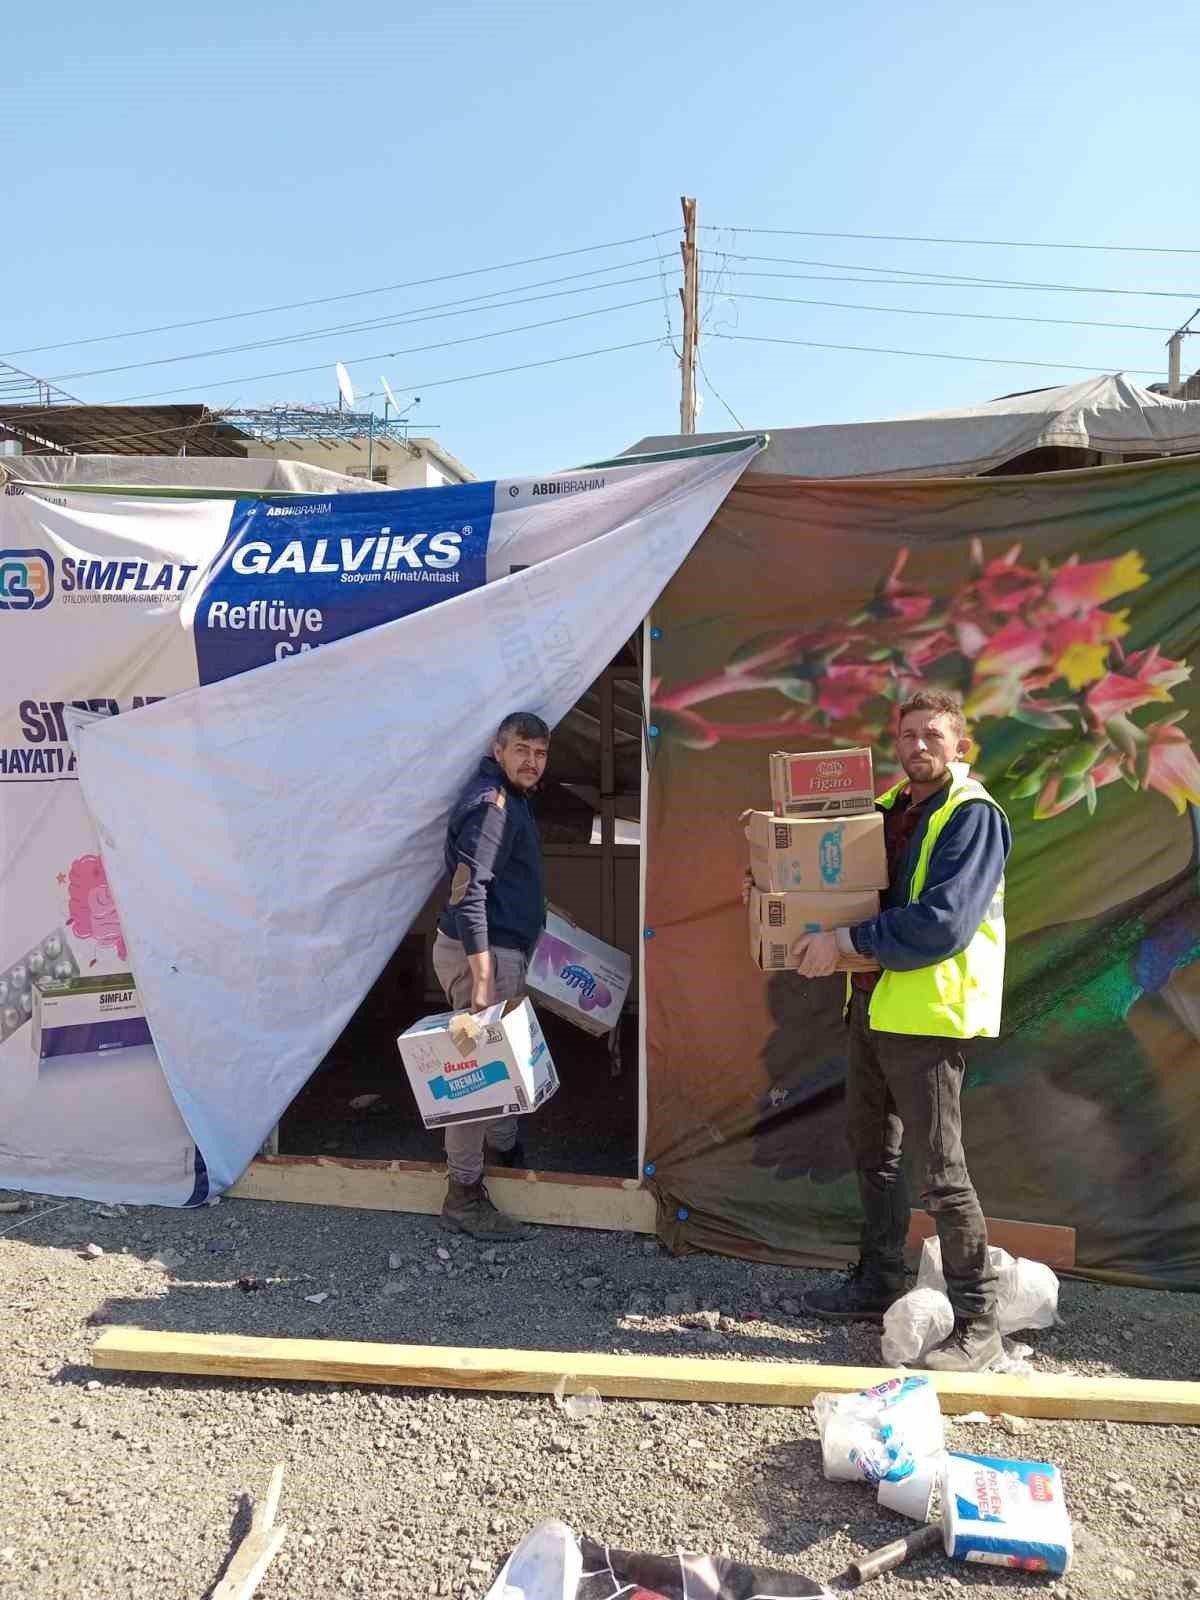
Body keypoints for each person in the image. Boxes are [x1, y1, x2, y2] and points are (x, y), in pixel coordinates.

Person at [790, 690, 1012, 1373]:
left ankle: (979, 1324)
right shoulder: (885, 810)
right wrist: (778, 885)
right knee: (873, 1153)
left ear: (959, 746)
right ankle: (879, 1280)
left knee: (941, 1174)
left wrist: (847, 938)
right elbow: (836, 879)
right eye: (909, 734)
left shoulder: (971, 817)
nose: (918, 746)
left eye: (933, 736)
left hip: (927, 1017)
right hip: (872, 1007)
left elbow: (943, 923)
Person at [432, 711, 550, 1241]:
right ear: (498, 749)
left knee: (504, 1067)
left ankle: (503, 1154)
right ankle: (464, 1195)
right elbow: (468, 893)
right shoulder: (492, 807)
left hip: (499, 954)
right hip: (484, 958)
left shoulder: (509, 800)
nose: (531, 761)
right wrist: (482, 980)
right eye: (521, 749)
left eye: (540, 753)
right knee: (476, 1078)